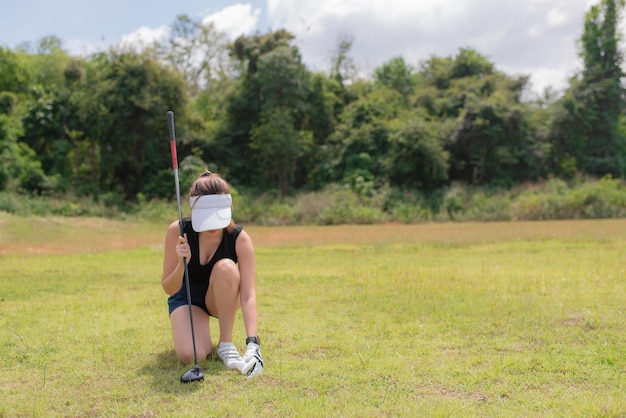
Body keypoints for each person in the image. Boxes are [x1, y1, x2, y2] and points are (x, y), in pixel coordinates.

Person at [161, 169, 263, 377]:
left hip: (221, 298)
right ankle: (203, 339)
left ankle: (225, 344)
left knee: (226, 266)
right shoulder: (177, 231)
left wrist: (253, 344)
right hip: (186, 298)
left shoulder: (239, 238)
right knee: (191, 355)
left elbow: (248, 294)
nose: (212, 225)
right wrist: (182, 264)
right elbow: (169, 288)